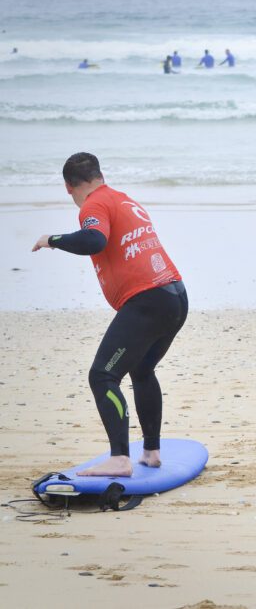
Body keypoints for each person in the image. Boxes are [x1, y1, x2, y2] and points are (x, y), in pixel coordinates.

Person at [31, 153, 188, 477]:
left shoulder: (94, 205)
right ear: (100, 175)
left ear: (68, 187)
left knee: (102, 375)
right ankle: (151, 452)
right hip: (175, 296)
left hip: (148, 301)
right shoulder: (123, 199)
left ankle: (120, 458)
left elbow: (94, 239)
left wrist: (52, 240)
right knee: (142, 370)